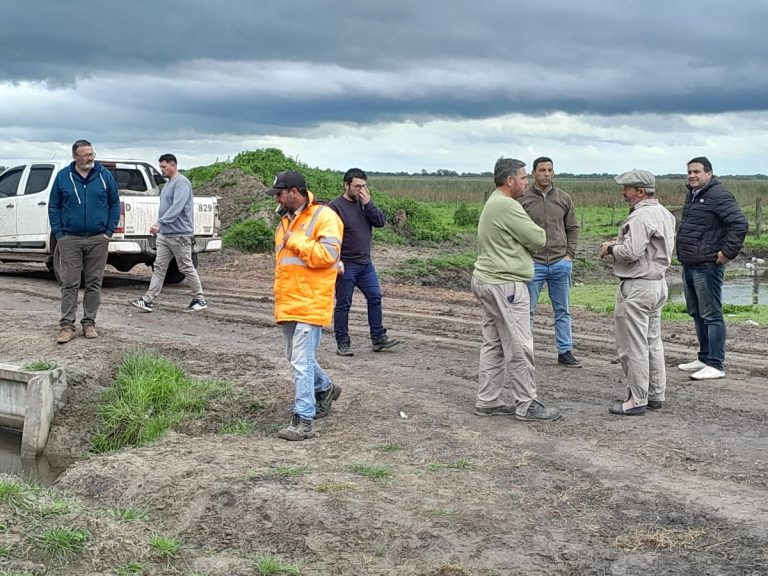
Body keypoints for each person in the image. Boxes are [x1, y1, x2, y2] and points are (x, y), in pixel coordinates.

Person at [471, 157, 561, 422]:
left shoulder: (494, 202)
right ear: (510, 180)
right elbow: (538, 238)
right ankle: (527, 403)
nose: (527, 182)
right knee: (519, 345)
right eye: (523, 177)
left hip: (489, 279)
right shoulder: (507, 206)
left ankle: (488, 400)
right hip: (505, 284)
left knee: (495, 343)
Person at [267, 170, 344, 441]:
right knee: (297, 358)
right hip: (289, 302)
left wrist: (298, 242)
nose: (276, 197)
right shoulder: (285, 223)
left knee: (300, 361)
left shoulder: (324, 217)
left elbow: (330, 254)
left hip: (311, 302)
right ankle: (325, 388)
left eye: (279, 192)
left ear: (295, 192)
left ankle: (303, 419)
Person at [599, 170, 676, 416]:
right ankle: (655, 394)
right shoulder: (665, 213)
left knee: (633, 346)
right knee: (653, 341)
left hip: (638, 285)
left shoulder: (640, 217)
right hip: (658, 283)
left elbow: (631, 253)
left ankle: (637, 399)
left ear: (640, 191)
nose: (624, 193)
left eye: (627, 189)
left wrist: (611, 247)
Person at [676, 157, 748, 381]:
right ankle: (704, 357)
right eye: (689, 172)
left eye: (696, 171)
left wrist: (727, 253)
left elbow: (739, 223)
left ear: (709, 173)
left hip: (708, 265)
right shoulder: (694, 195)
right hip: (690, 263)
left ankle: (716, 363)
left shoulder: (718, 195)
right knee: (697, 313)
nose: (691, 176)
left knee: (711, 315)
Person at [48, 139, 120, 344]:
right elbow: (54, 206)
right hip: (70, 238)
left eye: (92, 154)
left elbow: (114, 203)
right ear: (75, 156)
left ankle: (89, 323)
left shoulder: (104, 176)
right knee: (69, 283)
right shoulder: (63, 177)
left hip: (98, 238)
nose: (90, 158)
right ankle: (67, 326)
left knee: (94, 283)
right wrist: (60, 234)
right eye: (85, 154)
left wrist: (108, 231)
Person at [330, 168, 400, 356]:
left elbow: (380, 222)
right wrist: (336, 260)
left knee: (375, 297)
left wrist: (369, 203)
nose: (361, 190)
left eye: (364, 186)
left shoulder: (365, 204)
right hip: (346, 264)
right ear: (346, 185)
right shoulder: (335, 207)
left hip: (365, 264)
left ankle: (378, 338)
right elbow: (329, 237)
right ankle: (342, 343)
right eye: (357, 186)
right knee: (344, 304)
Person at [520, 157, 580, 367]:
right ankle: (524, 352)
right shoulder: (523, 199)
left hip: (559, 262)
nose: (546, 173)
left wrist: (569, 255)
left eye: (550, 170)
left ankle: (565, 351)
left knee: (562, 310)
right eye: (542, 170)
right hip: (533, 263)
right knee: (527, 310)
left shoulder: (563, 198)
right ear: (534, 173)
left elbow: (572, 228)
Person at [130, 154, 207, 313]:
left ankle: (199, 299)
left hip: (179, 234)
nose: (162, 170)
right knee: (159, 267)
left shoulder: (182, 183)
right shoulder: (167, 185)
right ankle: (148, 300)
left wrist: (160, 223)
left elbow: (177, 207)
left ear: (173, 165)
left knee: (186, 266)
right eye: (161, 167)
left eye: (164, 167)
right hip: (165, 235)